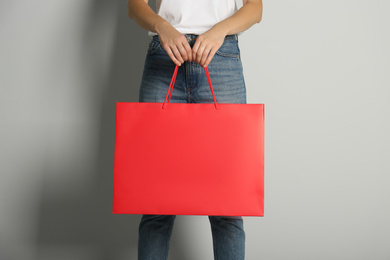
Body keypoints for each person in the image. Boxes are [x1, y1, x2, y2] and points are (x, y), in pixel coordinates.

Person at [127, 0, 263, 259]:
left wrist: (219, 30)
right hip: (164, 57)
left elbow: (255, 8)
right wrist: (162, 26)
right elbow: (135, 6)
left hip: (220, 56)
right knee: (155, 202)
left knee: (229, 203)